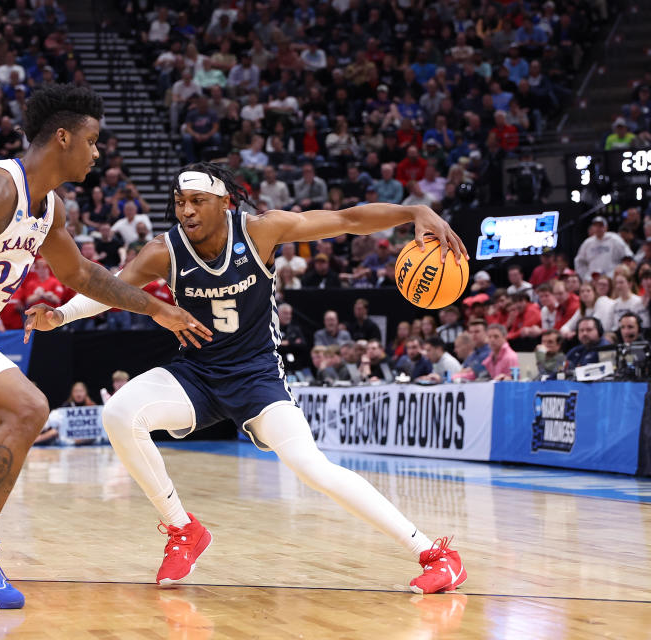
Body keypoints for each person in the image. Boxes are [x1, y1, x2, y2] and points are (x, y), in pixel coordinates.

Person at [28, 162, 469, 594]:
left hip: (257, 376)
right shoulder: (165, 251)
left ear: (224, 201)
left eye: (198, 201)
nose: (187, 211)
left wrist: (414, 212)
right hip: (197, 374)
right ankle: (183, 529)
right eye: (180, 202)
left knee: (314, 470)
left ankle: (435, 555)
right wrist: (61, 315)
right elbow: (115, 289)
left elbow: (347, 220)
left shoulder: (261, 230)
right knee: (120, 412)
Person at [0, 85, 208, 610]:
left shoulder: (49, 208)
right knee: (30, 408)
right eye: (92, 140)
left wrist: (157, 308)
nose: (97, 152)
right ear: (63, 137)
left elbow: (81, 273)